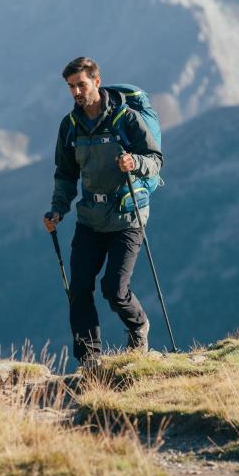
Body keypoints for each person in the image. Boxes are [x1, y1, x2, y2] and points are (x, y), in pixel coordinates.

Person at [43, 57, 163, 370]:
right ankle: (89, 360)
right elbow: (66, 174)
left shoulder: (127, 119)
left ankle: (138, 325)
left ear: (97, 82)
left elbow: (155, 160)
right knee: (79, 288)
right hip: (90, 218)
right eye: (70, 86)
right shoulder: (70, 126)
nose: (75, 92)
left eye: (81, 84)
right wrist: (58, 209)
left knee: (114, 289)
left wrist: (135, 162)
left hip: (127, 217)